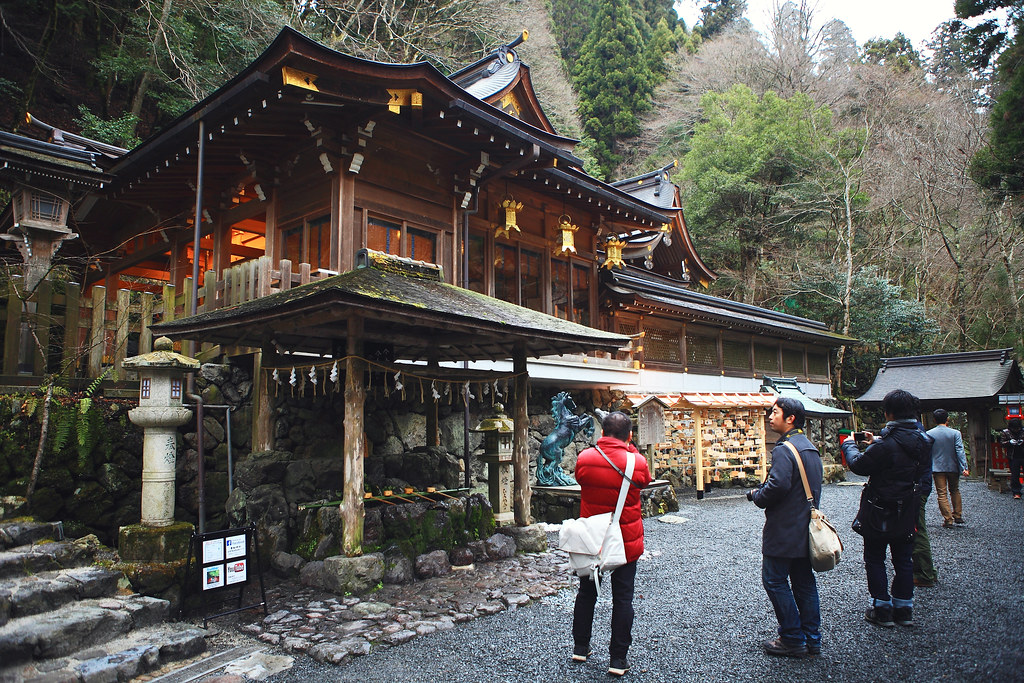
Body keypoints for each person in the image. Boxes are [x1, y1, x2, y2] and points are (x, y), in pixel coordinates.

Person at [842, 389, 932, 628]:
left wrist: (850, 445)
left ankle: (881, 608)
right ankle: (904, 608)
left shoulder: (886, 445)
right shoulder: (924, 440)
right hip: (908, 506)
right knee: (903, 559)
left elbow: (859, 466)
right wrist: (878, 441)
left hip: (879, 507)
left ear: (888, 413)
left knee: (875, 557)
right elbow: (922, 476)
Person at [571, 411, 652, 677]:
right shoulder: (636, 461)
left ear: (602, 432)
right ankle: (618, 659)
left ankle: (580, 647)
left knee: (586, 593)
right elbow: (645, 481)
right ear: (629, 435)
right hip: (625, 540)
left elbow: (580, 478)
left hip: (592, 539)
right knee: (623, 598)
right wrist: (631, 450)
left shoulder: (585, 458)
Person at [746, 397, 823, 659]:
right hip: (805, 527)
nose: (770, 416)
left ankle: (791, 637)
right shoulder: (809, 448)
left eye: (775, 412)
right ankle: (812, 639)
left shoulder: (784, 449)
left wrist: (758, 496)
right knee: (804, 582)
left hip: (784, 528)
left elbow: (777, 485)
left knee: (775, 580)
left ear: (790, 418)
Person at [927, 409, 969, 527]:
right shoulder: (955, 433)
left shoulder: (929, 433)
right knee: (955, 490)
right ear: (947, 419)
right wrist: (964, 467)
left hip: (937, 466)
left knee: (942, 493)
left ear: (934, 420)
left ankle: (948, 519)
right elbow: (959, 451)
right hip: (953, 465)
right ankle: (958, 515)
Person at [1000, 417, 1024, 499]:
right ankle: (1016, 492)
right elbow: (1002, 443)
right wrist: (1009, 442)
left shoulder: (1023, 431)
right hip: (1013, 456)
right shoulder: (1006, 432)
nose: (1016, 430)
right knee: (1015, 475)